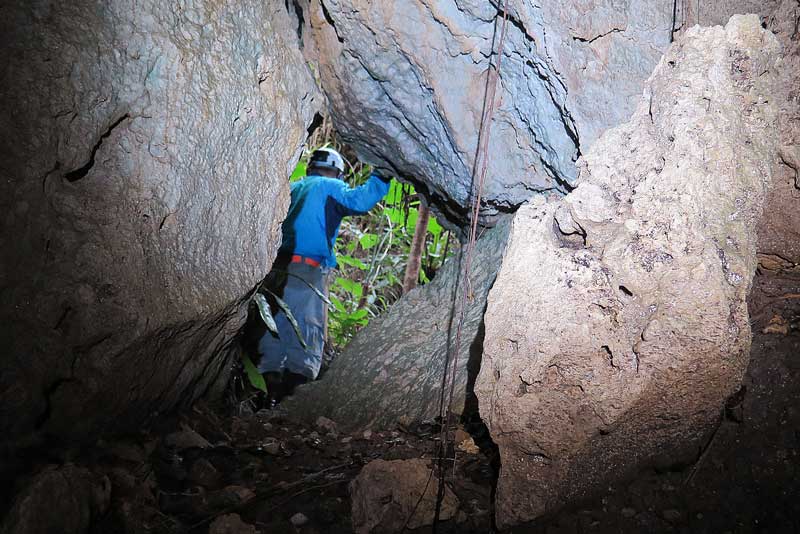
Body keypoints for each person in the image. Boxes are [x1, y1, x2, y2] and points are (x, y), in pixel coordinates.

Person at [257, 148, 391, 408]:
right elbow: (361, 201)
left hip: (275, 271)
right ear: (337, 172)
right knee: (307, 330)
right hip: (307, 272)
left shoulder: (293, 188)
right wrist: (383, 175)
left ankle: (264, 397)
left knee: (274, 329)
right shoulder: (330, 186)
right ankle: (292, 402)